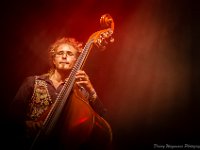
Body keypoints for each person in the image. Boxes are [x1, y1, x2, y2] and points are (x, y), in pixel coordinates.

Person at [8, 37, 112, 150]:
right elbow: (11, 121)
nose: (64, 56)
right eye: (60, 53)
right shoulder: (32, 82)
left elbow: (102, 116)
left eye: (69, 54)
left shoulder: (80, 92)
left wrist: (91, 90)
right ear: (54, 60)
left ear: (77, 60)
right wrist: (34, 127)